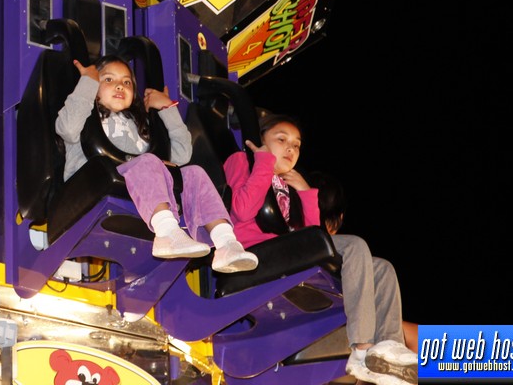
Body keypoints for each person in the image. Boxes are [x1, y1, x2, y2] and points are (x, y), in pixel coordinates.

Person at [223, 114, 417, 385]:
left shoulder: (288, 183)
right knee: (355, 245)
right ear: (260, 140)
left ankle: (388, 353)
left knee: (382, 268)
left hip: (290, 251)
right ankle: (362, 350)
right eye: (282, 140)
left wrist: (304, 191)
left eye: (296, 145)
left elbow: (314, 237)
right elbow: (242, 210)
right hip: (260, 251)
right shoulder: (243, 161)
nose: (290, 149)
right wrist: (263, 161)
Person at [55, 55, 258, 273]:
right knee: (148, 161)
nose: (119, 86)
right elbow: (66, 128)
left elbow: (181, 154)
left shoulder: (138, 126)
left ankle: (226, 243)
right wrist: (87, 82)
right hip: (93, 184)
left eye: (127, 82)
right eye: (108, 79)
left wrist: (167, 108)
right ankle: (167, 232)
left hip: (141, 187)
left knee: (195, 173)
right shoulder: (85, 116)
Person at [311, 170, 419, 356]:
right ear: (339, 218)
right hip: (302, 249)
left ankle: (390, 349)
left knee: (383, 267)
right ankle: (362, 345)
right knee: (355, 245)